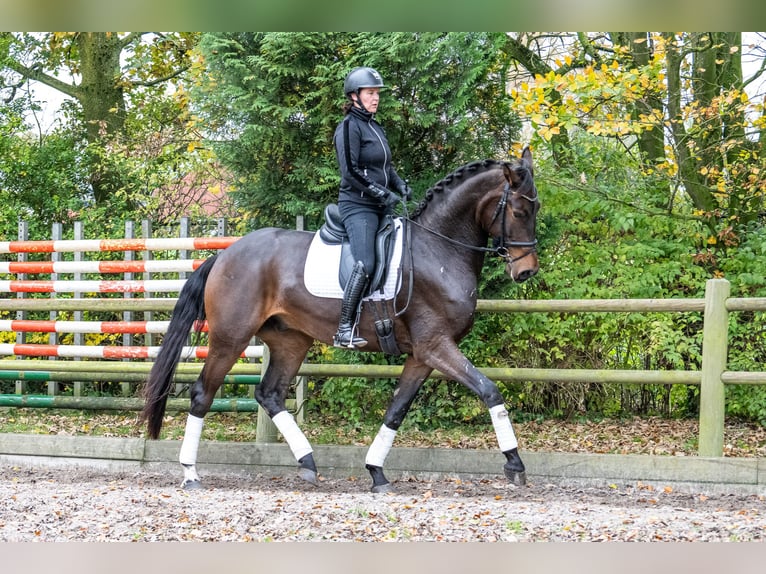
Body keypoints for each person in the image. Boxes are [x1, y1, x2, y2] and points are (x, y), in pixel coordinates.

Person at [332, 66, 412, 348]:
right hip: (358, 206)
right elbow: (350, 173)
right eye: (370, 93)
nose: (376, 98)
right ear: (354, 96)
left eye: (377, 93)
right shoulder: (348, 128)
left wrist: (398, 184)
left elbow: (385, 166)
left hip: (380, 204)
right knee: (365, 263)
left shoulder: (375, 127)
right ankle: (343, 328)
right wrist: (381, 193)